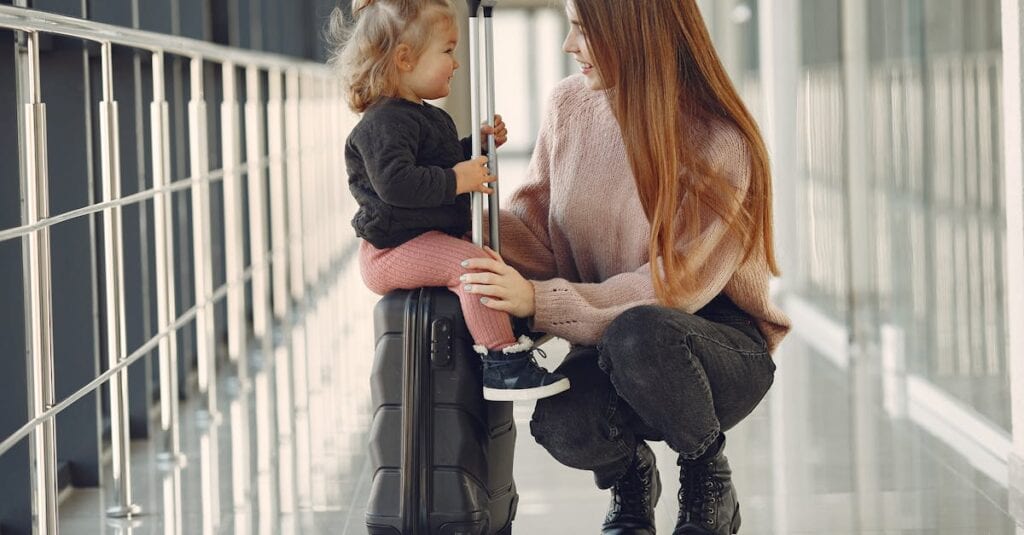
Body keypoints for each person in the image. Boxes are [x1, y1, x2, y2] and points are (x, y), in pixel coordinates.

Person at [458, 0, 792, 532]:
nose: (569, 46)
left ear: (633, 32)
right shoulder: (568, 106)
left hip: (714, 346)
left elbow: (674, 287)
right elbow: (539, 230)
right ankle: (632, 481)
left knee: (640, 334)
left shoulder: (720, 140)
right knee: (562, 422)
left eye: (582, 31)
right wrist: (461, 201)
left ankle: (709, 479)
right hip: (614, 339)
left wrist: (540, 302)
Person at [329, 0, 570, 401]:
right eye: (447, 51)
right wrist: (459, 178)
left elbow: (435, 162)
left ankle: (519, 315)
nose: (456, 63)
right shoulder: (383, 122)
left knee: (497, 238)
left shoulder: (424, 115)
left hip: (422, 236)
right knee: (469, 267)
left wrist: (473, 146)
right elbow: (397, 185)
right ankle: (501, 363)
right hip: (391, 250)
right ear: (405, 58)